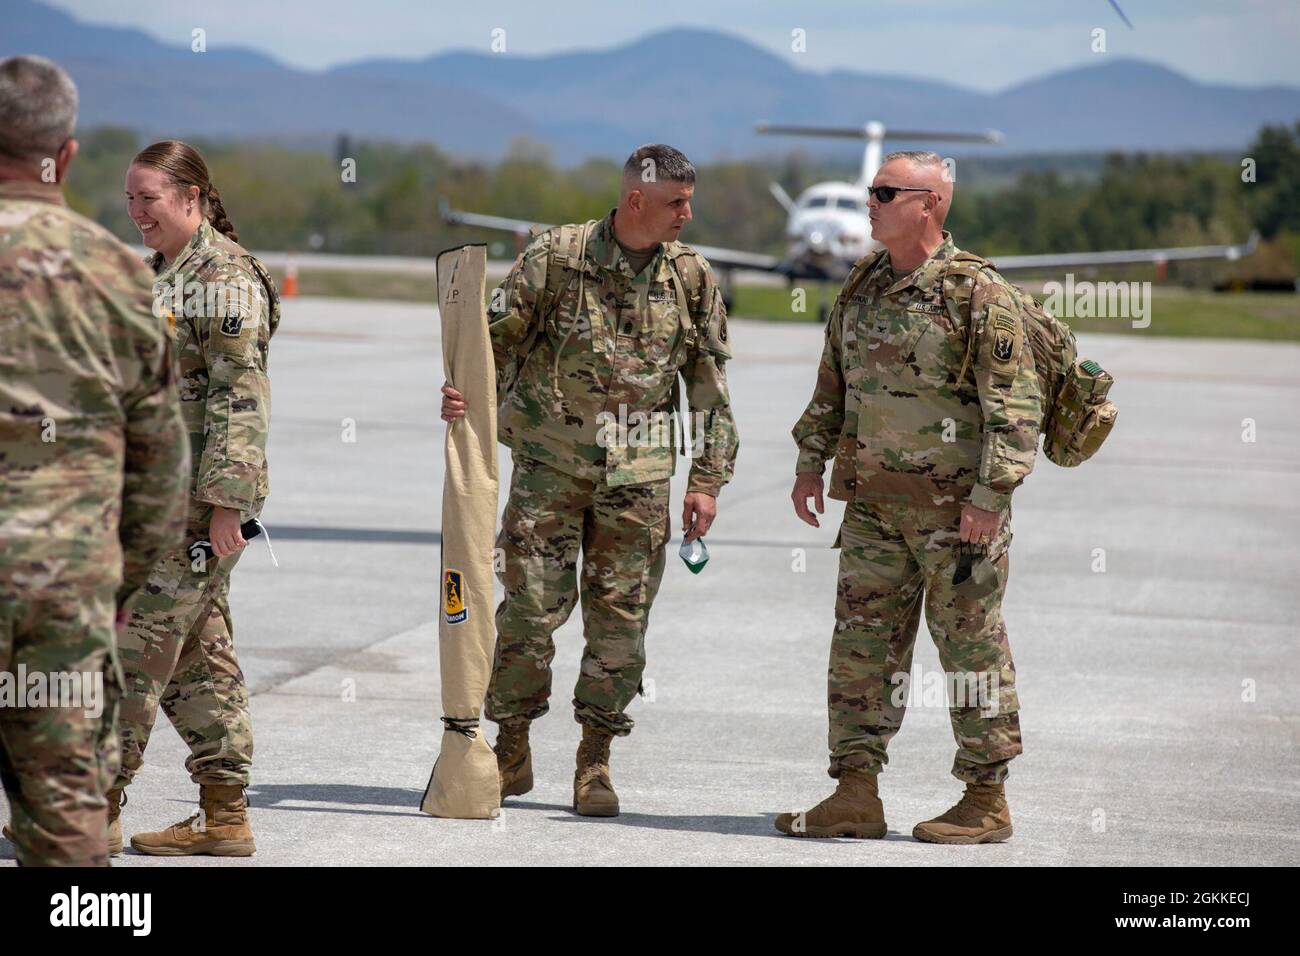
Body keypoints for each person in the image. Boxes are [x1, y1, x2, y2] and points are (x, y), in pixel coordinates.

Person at [441, 144, 738, 816]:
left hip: (638, 481)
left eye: (691, 201)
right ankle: (511, 745)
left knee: (621, 629)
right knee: (526, 618)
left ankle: (595, 759)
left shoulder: (691, 277)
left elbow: (711, 388)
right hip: (550, 469)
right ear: (636, 200)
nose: (687, 215)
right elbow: (495, 341)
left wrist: (708, 478)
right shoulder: (558, 257)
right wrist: (462, 392)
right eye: (676, 203)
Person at [776, 150, 1041, 843]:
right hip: (872, 511)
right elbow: (831, 385)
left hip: (958, 518)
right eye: (872, 190)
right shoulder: (862, 286)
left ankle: (986, 800)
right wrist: (810, 465)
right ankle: (855, 793)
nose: (871, 201)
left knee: (970, 653)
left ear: (929, 205)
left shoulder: (977, 293)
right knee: (861, 653)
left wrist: (990, 496)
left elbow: (1015, 413)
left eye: (886, 191)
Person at [0, 55, 189, 866]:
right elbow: (159, 464)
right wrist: (118, 582)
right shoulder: (117, 274)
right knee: (69, 813)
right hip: (63, 590)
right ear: (66, 156)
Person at [114, 140, 280, 856]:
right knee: (196, 656)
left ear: (192, 197)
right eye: (130, 199)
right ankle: (224, 814)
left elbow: (241, 397)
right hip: (153, 499)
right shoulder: (162, 274)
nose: (136, 212)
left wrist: (224, 504)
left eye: (148, 198)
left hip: (192, 505)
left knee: (133, 645)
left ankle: (88, 806)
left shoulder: (227, 279)